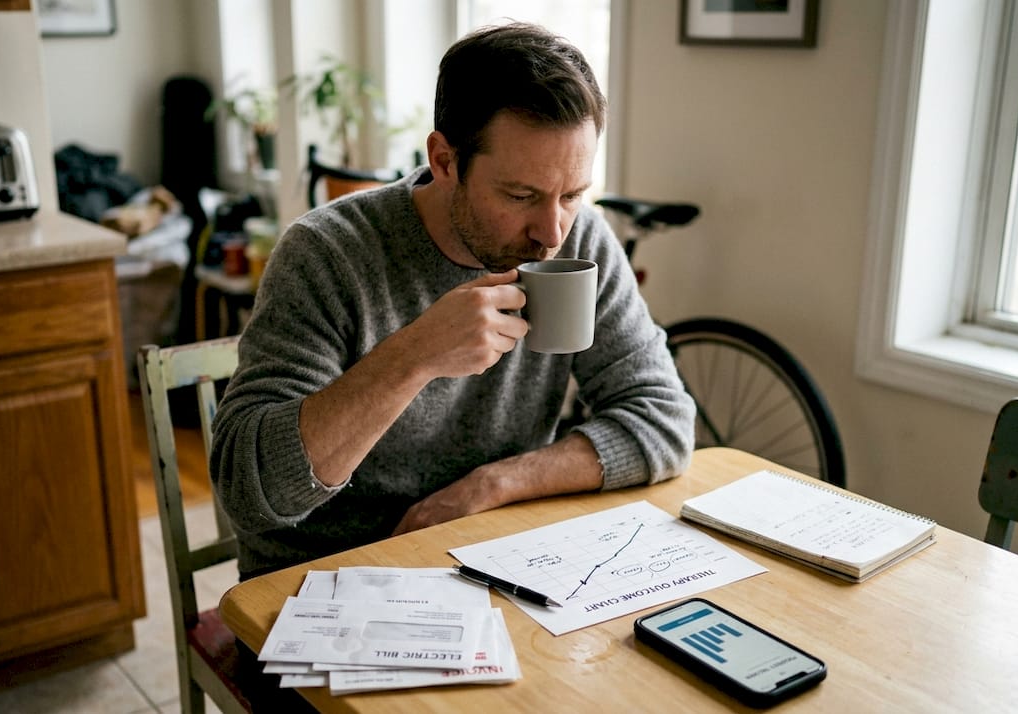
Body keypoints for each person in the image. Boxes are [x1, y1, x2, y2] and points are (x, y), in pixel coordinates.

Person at [211, 22, 696, 580]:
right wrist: (413, 356)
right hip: (326, 579)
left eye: (572, 194)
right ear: (444, 161)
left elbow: (662, 420)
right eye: (521, 196)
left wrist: (494, 484)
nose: (552, 232)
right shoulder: (327, 254)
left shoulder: (580, 241)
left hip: (484, 555)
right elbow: (251, 492)